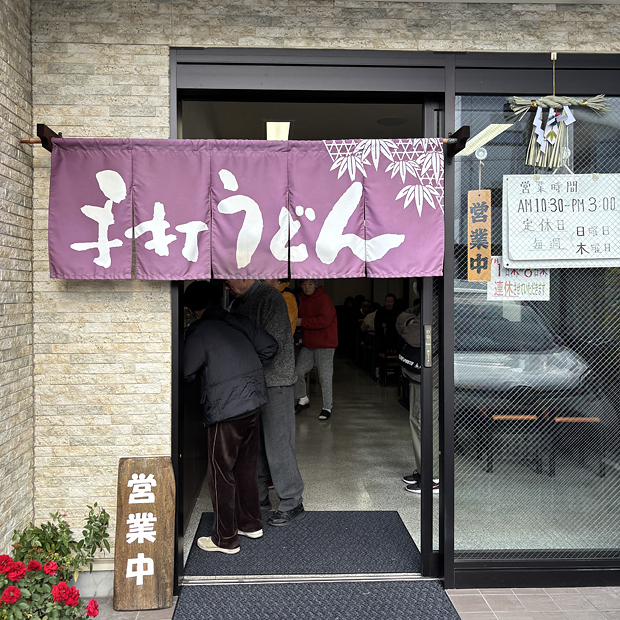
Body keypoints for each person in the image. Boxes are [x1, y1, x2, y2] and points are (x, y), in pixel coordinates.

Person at [183, 281, 279, 554]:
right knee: (246, 467)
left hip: (226, 408)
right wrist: (245, 370)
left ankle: (225, 539)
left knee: (220, 472)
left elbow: (186, 371)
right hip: (253, 402)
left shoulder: (199, 330)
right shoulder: (237, 320)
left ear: (192, 309)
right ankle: (251, 524)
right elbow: (270, 346)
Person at [226, 279, 306, 526]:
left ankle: (292, 501)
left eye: (227, 281)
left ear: (242, 274)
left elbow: (273, 344)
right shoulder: (238, 302)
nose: (226, 287)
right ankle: (259, 499)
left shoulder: (271, 298)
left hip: (276, 381)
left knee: (278, 442)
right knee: (255, 443)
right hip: (251, 381)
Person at [395, 286, 440, 494]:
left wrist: (409, 323)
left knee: (425, 424)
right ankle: (424, 470)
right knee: (417, 420)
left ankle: (433, 477)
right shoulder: (427, 302)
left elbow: (415, 336)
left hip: (430, 375)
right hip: (421, 374)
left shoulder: (434, 303)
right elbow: (404, 317)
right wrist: (410, 320)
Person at [294, 279, 338, 421]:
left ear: (316, 285)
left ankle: (327, 407)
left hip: (325, 344)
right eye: (304, 284)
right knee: (298, 371)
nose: (307, 287)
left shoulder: (324, 298)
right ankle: (303, 398)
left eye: (310, 284)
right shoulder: (302, 299)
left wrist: (302, 322)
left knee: (324, 377)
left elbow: (325, 320)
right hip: (309, 343)